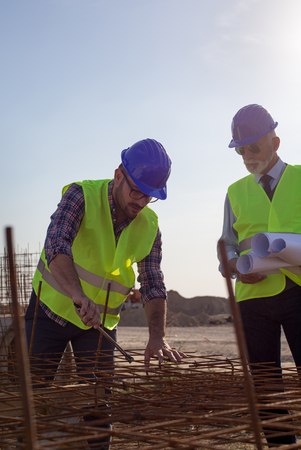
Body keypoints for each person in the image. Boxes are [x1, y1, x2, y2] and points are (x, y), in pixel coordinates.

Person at [25, 138, 185, 449]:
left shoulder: (150, 225)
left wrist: (157, 336)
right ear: (118, 175)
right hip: (49, 310)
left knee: (98, 407)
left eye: (149, 196)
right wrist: (77, 294)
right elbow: (56, 244)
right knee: (30, 397)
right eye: (136, 190)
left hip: (99, 325)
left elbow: (152, 282)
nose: (140, 201)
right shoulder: (81, 196)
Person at [217, 104, 301, 446]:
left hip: (298, 291)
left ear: (275, 142)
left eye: (255, 146)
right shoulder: (235, 192)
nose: (248, 155)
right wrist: (235, 266)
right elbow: (227, 246)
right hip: (253, 300)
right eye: (241, 149)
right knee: (266, 388)